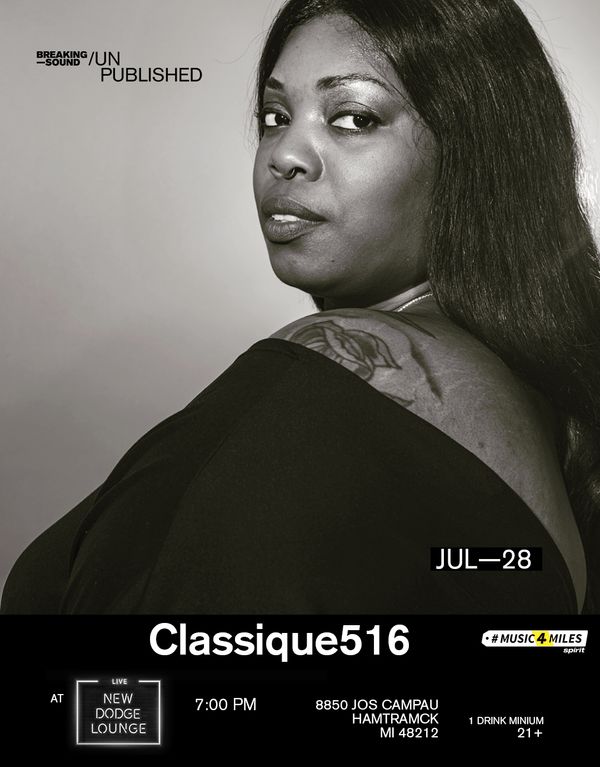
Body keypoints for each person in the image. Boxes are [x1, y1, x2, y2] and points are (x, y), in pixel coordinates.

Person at [2, 0, 598, 614]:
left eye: (354, 118)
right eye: (275, 116)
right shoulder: (544, 410)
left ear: (475, 153)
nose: (284, 154)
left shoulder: (330, 377)